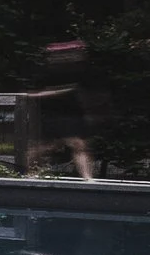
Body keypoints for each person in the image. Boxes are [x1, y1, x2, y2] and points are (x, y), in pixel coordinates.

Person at [34, 40, 112, 180]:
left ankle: (87, 177)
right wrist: (64, 91)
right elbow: (40, 92)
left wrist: (90, 111)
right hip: (54, 112)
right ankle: (28, 171)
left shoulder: (83, 71)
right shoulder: (49, 73)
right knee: (49, 146)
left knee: (78, 144)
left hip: (73, 112)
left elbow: (88, 93)